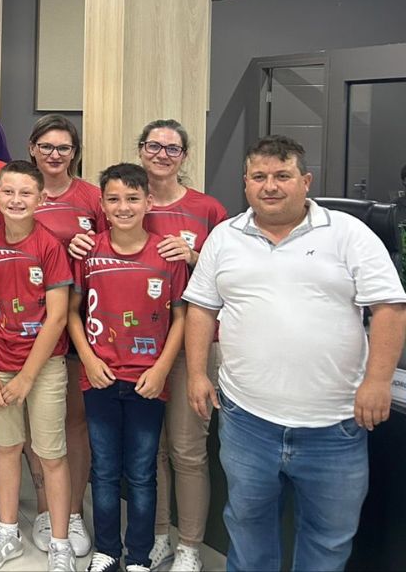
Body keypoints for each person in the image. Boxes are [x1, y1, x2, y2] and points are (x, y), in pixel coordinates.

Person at [183, 135, 406, 572]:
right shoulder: (224, 237)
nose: (271, 186)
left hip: (334, 428)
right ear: (245, 183)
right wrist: (196, 373)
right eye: (260, 176)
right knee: (247, 529)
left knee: (327, 541)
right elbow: (202, 308)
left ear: (305, 181)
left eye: (282, 176)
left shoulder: (348, 233)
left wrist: (378, 381)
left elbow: (389, 308)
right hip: (247, 421)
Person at [67, 163, 188, 572]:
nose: (123, 207)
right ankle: (106, 551)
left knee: (140, 471)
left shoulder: (167, 255)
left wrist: (161, 370)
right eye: (114, 199)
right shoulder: (89, 253)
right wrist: (87, 357)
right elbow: (72, 313)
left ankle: (137, 556)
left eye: (133, 199)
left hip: (148, 382)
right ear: (102, 204)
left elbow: (181, 319)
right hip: (98, 375)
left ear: (148, 202)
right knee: (103, 470)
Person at [0, 161, 76, 572]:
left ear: (41, 198)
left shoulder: (48, 246)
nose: (16, 201)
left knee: (51, 454)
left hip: (42, 367)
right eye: (8, 193)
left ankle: (61, 542)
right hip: (1, 364)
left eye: (25, 194)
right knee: (7, 448)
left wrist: (29, 375)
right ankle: (8, 531)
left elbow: (58, 317)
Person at [133, 120, 228, 572]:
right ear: (141, 150)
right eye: (154, 146)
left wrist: (192, 257)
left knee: (187, 449)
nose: (162, 154)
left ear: (185, 156)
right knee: (149, 449)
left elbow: (227, 275)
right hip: (136, 344)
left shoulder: (207, 208)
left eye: (172, 148)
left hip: (192, 343)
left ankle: (189, 544)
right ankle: (158, 535)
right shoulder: (125, 198)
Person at [28, 114, 102, 556]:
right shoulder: (18, 189)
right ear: (33, 148)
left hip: (78, 318)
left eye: (64, 148)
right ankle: (43, 509)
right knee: (38, 423)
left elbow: (118, 245)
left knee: (73, 421)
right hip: (24, 321)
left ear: (74, 152)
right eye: (47, 146)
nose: (55, 155)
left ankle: (72, 512)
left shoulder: (92, 197)